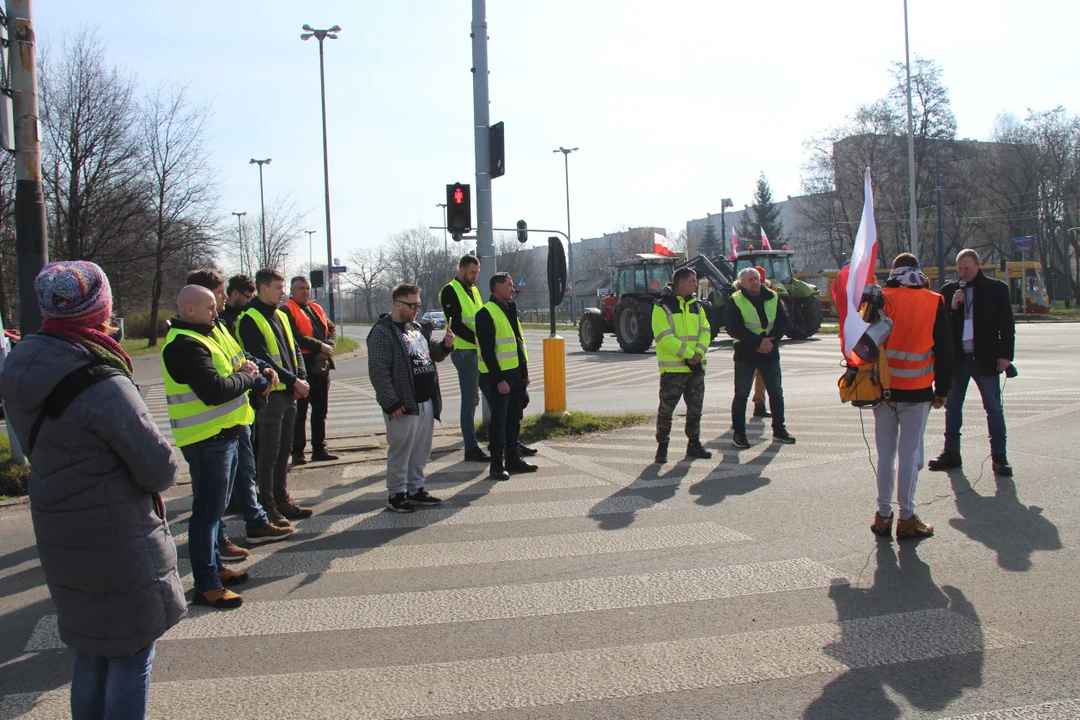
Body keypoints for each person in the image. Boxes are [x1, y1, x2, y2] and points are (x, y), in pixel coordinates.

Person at [0, 261, 185, 718]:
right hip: (116, 534)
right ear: (97, 309)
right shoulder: (102, 379)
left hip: (60, 523)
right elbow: (159, 468)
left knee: (91, 648)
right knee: (130, 654)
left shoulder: (23, 362)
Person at [162, 285, 263, 608]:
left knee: (214, 512)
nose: (216, 312)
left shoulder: (205, 333)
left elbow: (231, 369)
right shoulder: (184, 344)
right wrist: (247, 377)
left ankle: (215, 569)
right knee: (206, 515)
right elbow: (215, 391)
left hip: (224, 435)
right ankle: (206, 585)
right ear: (189, 310)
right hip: (207, 440)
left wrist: (245, 373)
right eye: (209, 308)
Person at [186, 269, 293, 548]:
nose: (226, 297)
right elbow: (217, 385)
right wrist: (250, 377)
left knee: (246, 474)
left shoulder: (218, 325)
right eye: (220, 293)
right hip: (207, 430)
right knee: (211, 497)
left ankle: (255, 523)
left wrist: (262, 372)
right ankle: (216, 544)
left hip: (235, 418)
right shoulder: (188, 339)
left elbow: (241, 357)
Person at [870, 254, 954, 540]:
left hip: (882, 390)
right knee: (910, 455)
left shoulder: (880, 298)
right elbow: (945, 349)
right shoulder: (933, 301)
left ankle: (882, 516)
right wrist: (942, 390)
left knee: (885, 456)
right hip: (918, 391)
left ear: (893, 272)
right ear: (918, 273)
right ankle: (906, 517)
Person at [367, 283, 454, 512]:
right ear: (398, 304)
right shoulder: (382, 332)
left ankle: (416, 488)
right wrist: (391, 402)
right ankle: (396, 494)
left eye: (418, 304)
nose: (417, 309)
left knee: (421, 450)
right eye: (412, 305)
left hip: (425, 400)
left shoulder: (416, 327)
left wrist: (444, 346)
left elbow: (429, 353)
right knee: (401, 449)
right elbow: (379, 371)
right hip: (403, 403)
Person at [237, 268, 314, 524]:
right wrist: (294, 380)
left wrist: (300, 377)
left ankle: (282, 499)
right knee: (268, 452)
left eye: (283, 288)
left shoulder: (280, 315)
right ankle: (267, 506)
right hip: (271, 396)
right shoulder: (249, 318)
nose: (283, 293)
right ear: (262, 288)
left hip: (289, 393)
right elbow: (262, 358)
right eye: (279, 288)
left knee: (283, 451)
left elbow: (294, 350)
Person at [929, 248, 1015, 476]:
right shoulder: (949, 291)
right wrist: (952, 308)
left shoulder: (996, 289)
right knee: (953, 406)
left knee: (994, 408)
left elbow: (1007, 325)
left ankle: (999, 456)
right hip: (958, 360)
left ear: (978, 266)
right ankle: (951, 452)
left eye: (967, 268)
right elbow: (941, 327)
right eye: (960, 269)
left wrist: (1006, 356)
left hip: (985, 358)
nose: (964, 273)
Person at [726, 266, 796, 448]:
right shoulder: (735, 300)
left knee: (776, 392)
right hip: (746, 352)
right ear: (742, 283)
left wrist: (770, 341)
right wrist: (758, 343)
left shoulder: (773, 296)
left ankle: (779, 430)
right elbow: (734, 328)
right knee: (741, 394)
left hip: (770, 350)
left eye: (757, 278)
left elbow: (783, 321)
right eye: (751, 279)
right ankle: (739, 434)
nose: (756, 282)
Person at [476, 272, 535, 480]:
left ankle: (513, 459)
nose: (513, 288)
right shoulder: (485, 313)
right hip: (497, 377)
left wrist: (524, 373)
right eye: (509, 285)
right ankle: (496, 465)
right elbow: (487, 351)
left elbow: (518, 344)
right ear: (497, 287)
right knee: (499, 421)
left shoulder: (511, 309)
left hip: (515, 374)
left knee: (514, 418)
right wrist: (499, 379)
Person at [652, 266, 712, 464]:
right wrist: (688, 354)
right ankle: (662, 447)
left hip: (695, 367)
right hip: (673, 370)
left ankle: (694, 443)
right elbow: (664, 338)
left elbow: (706, 331)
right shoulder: (662, 306)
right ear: (682, 282)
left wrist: (699, 353)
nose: (695, 284)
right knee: (666, 410)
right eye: (693, 281)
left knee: (695, 408)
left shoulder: (697, 306)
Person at [440, 254, 491, 462]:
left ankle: (495, 438)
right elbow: (458, 325)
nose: (475, 277)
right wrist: (480, 340)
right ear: (461, 269)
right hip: (464, 351)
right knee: (470, 399)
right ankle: (470, 446)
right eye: (472, 272)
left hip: (476, 350)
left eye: (477, 273)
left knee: (483, 395)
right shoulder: (450, 290)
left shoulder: (473, 289)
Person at [283, 275, 338, 464]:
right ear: (292, 290)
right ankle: (297, 452)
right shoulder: (286, 309)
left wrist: (328, 346)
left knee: (320, 410)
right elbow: (294, 336)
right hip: (302, 365)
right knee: (300, 412)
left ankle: (319, 449)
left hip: (320, 365)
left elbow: (331, 329)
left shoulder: (316, 308)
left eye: (307, 288)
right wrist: (319, 346)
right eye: (300, 288)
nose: (305, 291)